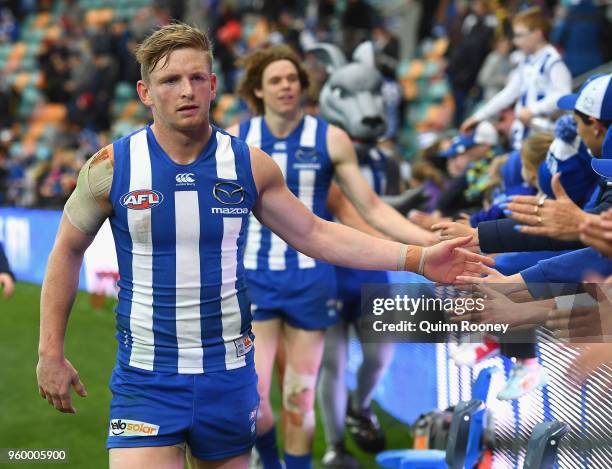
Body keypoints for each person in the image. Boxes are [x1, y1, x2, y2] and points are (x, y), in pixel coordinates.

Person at [36, 23, 493, 469]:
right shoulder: (111, 167)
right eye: (170, 80)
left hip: (230, 380)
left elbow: (316, 233)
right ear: (145, 93)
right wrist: (49, 353)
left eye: (197, 78)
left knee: (299, 394)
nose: (186, 90)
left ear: (214, 85)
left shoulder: (248, 164)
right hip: (147, 380)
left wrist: (417, 259)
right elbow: (65, 251)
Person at [226, 44, 440, 469]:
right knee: (252, 399)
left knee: (299, 395)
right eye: (275, 80)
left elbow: (371, 207)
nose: (286, 86)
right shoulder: (238, 137)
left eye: (293, 79)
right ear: (258, 91)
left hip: (311, 282)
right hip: (254, 281)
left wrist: (426, 245)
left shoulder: (329, 137)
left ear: (305, 87)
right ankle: (269, 462)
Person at [461, 7, 572, 150]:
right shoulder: (527, 62)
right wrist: (478, 116)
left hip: (544, 139)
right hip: (525, 138)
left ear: (537, 34)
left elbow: (563, 94)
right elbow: (508, 94)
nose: (515, 41)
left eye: (519, 35)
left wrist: (533, 110)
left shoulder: (552, 61)